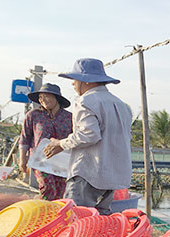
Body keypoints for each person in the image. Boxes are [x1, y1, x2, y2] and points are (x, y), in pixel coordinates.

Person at [44, 58, 132, 215]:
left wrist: (60, 144)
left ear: (87, 82)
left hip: (88, 173)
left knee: (74, 219)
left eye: (75, 80)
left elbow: (89, 134)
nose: (73, 84)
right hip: (111, 176)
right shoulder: (121, 105)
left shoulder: (86, 101)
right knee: (100, 220)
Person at [18, 83, 73, 200]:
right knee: (47, 188)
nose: (42, 100)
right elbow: (24, 138)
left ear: (56, 98)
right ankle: (44, 213)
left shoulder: (70, 118)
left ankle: (55, 215)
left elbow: (75, 139)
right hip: (40, 160)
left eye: (46, 96)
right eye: (40, 97)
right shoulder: (33, 115)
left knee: (60, 192)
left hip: (61, 161)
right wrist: (22, 159)